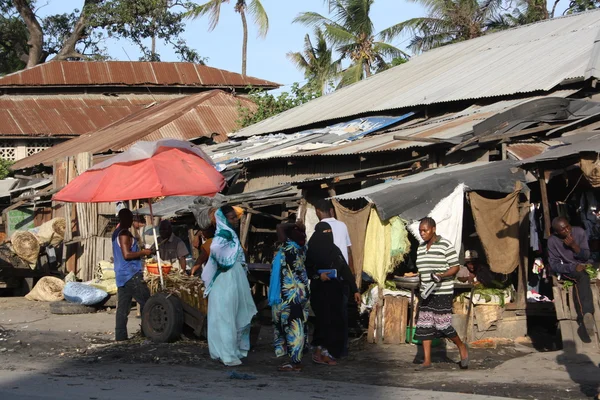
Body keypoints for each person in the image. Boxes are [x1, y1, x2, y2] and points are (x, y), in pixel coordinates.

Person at [201, 205, 257, 366]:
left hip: (232, 278)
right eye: (232, 218)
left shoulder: (229, 233)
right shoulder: (224, 234)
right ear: (224, 219)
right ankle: (227, 353)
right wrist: (226, 261)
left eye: (235, 217)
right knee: (225, 315)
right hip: (226, 278)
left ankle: (226, 351)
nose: (235, 221)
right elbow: (216, 249)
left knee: (229, 314)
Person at [414, 217, 468, 370]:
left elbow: (455, 267)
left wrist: (442, 275)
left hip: (442, 291)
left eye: (425, 230)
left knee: (443, 324)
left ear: (433, 229)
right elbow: (422, 270)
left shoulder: (445, 245)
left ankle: (461, 347)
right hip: (426, 292)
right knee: (425, 325)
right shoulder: (420, 247)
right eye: (420, 231)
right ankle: (426, 360)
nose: (422, 233)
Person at [306, 221, 361, 365]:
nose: (327, 236)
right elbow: (307, 270)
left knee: (333, 322)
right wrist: (319, 276)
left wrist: (355, 289)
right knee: (322, 321)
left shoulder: (334, 250)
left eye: (329, 233)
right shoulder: (310, 250)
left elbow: (345, 269)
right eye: (324, 233)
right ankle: (318, 351)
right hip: (319, 292)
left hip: (334, 291)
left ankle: (328, 352)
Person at [314, 199, 356, 356]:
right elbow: (348, 252)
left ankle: (325, 347)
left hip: (325, 279)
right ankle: (340, 348)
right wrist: (351, 276)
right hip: (341, 279)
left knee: (325, 315)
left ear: (318, 211)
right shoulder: (342, 226)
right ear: (332, 210)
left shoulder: (319, 229)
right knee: (340, 315)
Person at [270, 222, 309, 372]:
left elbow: (279, 226)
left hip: (290, 295)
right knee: (299, 324)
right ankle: (296, 358)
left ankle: (295, 362)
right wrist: (300, 227)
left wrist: (294, 224)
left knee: (293, 327)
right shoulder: (302, 249)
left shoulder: (289, 248)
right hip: (301, 292)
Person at [547, 216, 596, 337]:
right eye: (563, 230)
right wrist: (572, 268)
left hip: (583, 265)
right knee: (582, 277)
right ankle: (587, 314)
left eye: (568, 226)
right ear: (557, 232)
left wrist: (574, 245)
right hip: (567, 269)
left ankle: (588, 316)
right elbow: (554, 265)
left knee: (586, 273)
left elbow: (586, 255)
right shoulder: (552, 241)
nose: (567, 230)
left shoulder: (579, 232)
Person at [112, 209, 152, 342]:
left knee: (123, 309)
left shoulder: (116, 233)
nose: (132, 221)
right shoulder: (124, 234)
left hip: (121, 276)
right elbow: (127, 254)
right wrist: (143, 252)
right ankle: (149, 332)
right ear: (125, 219)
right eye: (131, 218)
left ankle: (120, 337)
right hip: (131, 274)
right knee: (148, 303)